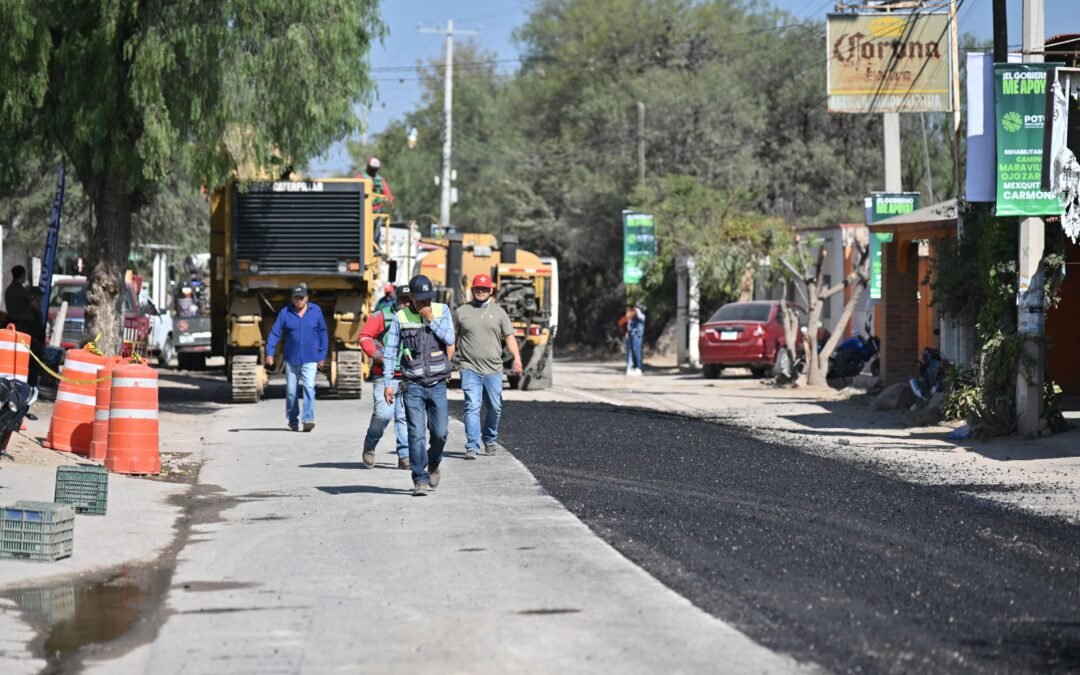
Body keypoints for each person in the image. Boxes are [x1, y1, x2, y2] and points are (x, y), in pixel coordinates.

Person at [382, 274, 455, 497]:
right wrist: (388, 382)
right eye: (420, 299)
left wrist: (431, 318)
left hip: (437, 383)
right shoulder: (401, 317)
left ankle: (434, 462)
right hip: (412, 384)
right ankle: (419, 478)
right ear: (411, 297)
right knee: (416, 435)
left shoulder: (441, 311)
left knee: (440, 433)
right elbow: (391, 350)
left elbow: (450, 339)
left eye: (428, 298)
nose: (425, 303)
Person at [453, 273, 522, 460]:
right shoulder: (461, 312)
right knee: (472, 406)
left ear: (490, 291)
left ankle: (489, 439)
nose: (481, 291)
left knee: (495, 407)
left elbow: (509, 336)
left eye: (484, 289)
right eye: (477, 288)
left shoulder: (499, 312)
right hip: (469, 368)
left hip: (493, 369)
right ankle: (472, 446)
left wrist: (517, 357)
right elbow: (451, 339)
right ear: (472, 290)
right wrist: (446, 362)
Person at [358, 284, 411, 470]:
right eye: (403, 300)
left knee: (404, 417)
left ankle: (405, 455)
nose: (406, 304)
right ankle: (370, 445)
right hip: (384, 375)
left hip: (407, 375)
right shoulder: (381, 315)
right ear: (396, 299)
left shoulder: (416, 316)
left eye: (409, 300)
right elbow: (364, 336)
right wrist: (375, 354)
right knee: (383, 415)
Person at [266, 283, 327, 432]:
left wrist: (322, 355)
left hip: (310, 357)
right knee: (291, 391)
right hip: (292, 358)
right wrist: (269, 352)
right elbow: (275, 332)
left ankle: (308, 419)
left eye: (301, 297)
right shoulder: (285, 313)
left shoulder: (316, 311)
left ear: (307, 298)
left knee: (309, 387)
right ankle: (293, 420)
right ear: (292, 299)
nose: (299, 300)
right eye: (296, 297)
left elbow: (323, 333)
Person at [4, 266, 35, 334]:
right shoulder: (21, 290)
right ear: (23, 275)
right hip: (22, 324)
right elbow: (34, 305)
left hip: (11, 321)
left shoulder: (9, 289)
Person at [618, 302, 645, 376]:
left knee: (637, 350)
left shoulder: (639, 316)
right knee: (630, 352)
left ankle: (638, 368)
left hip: (637, 335)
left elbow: (641, 317)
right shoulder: (629, 317)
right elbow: (621, 323)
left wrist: (637, 310)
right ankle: (631, 367)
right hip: (630, 335)